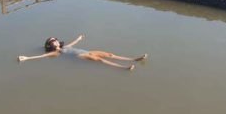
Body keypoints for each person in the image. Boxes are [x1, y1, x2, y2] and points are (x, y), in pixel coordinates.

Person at [17, 34, 147, 71]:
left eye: (55, 39)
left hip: (86, 51)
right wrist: (28, 58)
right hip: (80, 55)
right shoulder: (57, 53)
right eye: (53, 41)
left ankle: (134, 59)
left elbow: (73, 44)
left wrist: (78, 38)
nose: (55, 41)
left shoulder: (65, 46)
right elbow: (44, 55)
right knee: (100, 60)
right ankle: (124, 68)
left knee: (109, 54)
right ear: (51, 45)